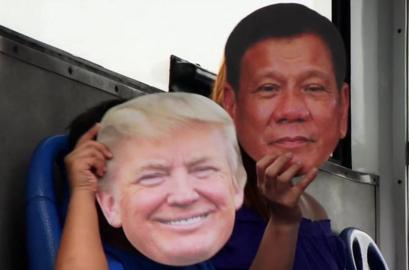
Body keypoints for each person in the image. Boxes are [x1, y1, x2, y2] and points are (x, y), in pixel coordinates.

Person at [55, 92, 315, 270]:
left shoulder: (184, 257)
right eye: (152, 176)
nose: (183, 195)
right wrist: (83, 189)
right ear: (106, 198)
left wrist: (283, 221)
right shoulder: (110, 261)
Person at [210, 3, 349, 269]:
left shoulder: (313, 210)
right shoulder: (208, 206)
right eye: (268, 88)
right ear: (232, 105)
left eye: (313, 88)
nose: (292, 111)